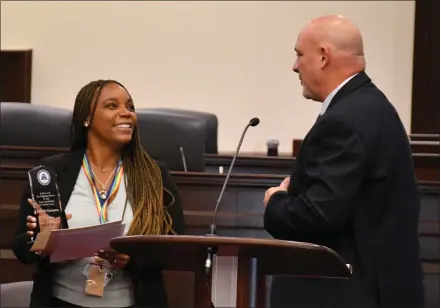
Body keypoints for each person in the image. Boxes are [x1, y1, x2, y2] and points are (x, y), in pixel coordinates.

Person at [263, 15, 424, 308]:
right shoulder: (370, 106)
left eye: (299, 54)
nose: (295, 66)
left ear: (324, 57)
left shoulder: (345, 121)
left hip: (347, 295)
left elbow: (317, 217)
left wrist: (277, 201)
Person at [12, 79, 186, 308]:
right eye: (112, 106)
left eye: (130, 107)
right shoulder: (52, 172)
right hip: (61, 302)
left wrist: (135, 258)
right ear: (86, 118)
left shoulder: (154, 175)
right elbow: (22, 248)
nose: (127, 113)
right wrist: (43, 239)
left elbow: (176, 248)